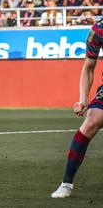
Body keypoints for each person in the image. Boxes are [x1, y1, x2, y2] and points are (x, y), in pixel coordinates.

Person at [51, 19, 103, 199]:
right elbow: (89, 67)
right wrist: (83, 99)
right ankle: (66, 184)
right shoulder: (98, 30)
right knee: (90, 122)